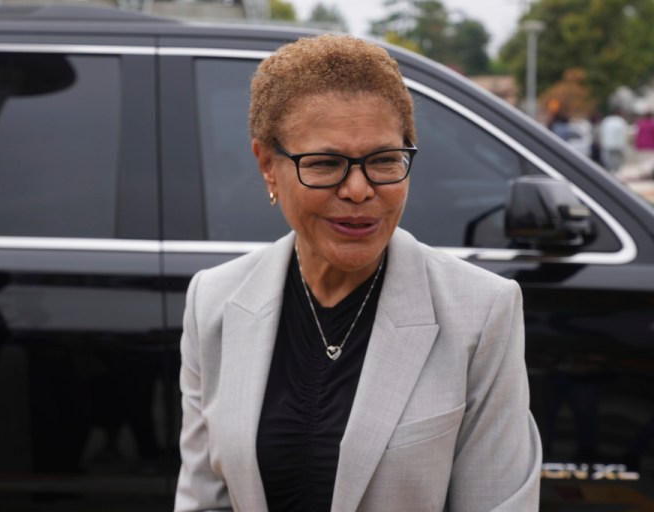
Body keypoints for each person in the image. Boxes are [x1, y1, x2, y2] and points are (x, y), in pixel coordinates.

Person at [175, 34, 541, 511]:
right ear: (267, 165)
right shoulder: (214, 301)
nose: (358, 189)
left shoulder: (480, 310)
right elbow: (205, 499)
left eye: (384, 160)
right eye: (325, 163)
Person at [634, 110, 654, 178]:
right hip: (651, 145)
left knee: (642, 160)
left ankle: (644, 173)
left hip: (641, 144)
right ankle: (646, 174)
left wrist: (636, 143)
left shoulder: (640, 123)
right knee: (650, 160)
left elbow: (637, 134)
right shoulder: (652, 124)